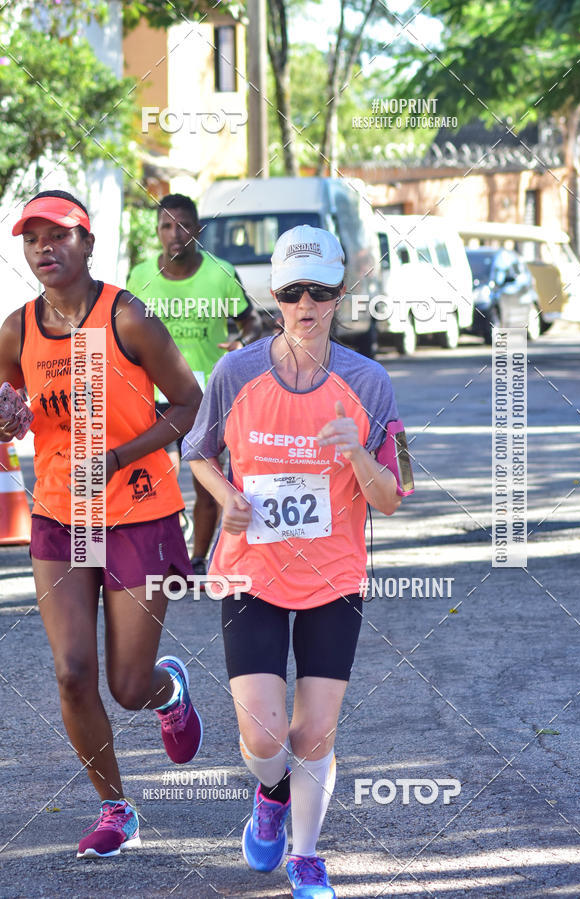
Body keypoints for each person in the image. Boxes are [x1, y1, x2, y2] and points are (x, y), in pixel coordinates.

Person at [183, 225, 405, 898]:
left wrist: (357, 453)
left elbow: (392, 496)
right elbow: (198, 451)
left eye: (319, 291)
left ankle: (305, 857)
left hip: (333, 575)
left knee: (314, 731)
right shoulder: (236, 372)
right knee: (265, 734)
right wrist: (226, 497)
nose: (305, 305)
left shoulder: (370, 382)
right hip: (250, 569)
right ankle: (272, 791)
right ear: (274, 295)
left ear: (341, 293)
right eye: (291, 292)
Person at [0, 190, 204, 858]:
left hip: (137, 513)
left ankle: (168, 691)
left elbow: (189, 403)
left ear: (88, 243)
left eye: (59, 234)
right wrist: (7, 421)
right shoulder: (16, 329)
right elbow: (9, 411)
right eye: (33, 238)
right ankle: (116, 807)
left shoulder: (128, 317)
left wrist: (117, 456)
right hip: (61, 515)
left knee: (127, 685)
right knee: (71, 672)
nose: (45, 247)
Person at [127, 194, 262, 575]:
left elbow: (250, 321)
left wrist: (241, 343)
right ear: (157, 232)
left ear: (197, 230)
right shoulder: (139, 276)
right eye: (167, 226)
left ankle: (198, 559)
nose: (175, 234)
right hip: (152, 395)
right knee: (157, 477)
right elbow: (123, 330)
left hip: (207, 397)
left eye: (183, 225)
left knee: (208, 478)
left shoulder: (221, 273)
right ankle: (163, 552)